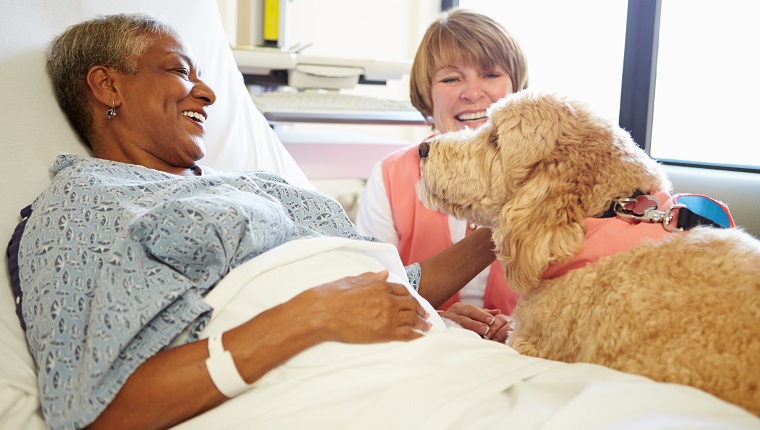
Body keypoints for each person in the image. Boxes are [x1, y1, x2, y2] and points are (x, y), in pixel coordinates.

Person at [9, 13, 510, 430]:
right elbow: (93, 410)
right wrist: (313, 315)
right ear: (107, 85)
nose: (207, 93)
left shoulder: (255, 183)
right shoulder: (82, 202)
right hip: (336, 389)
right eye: (180, 71)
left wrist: (514, 220)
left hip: (437, 362)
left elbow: (394, 282)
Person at [357, 8, 529, 325]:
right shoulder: (390, 176)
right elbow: (372, 293)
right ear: (427, 93)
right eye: (451, 78)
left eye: (491, 75)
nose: (473, 93)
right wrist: (441, 320)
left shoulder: (547, 172)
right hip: (427, 345)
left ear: (515, 86)